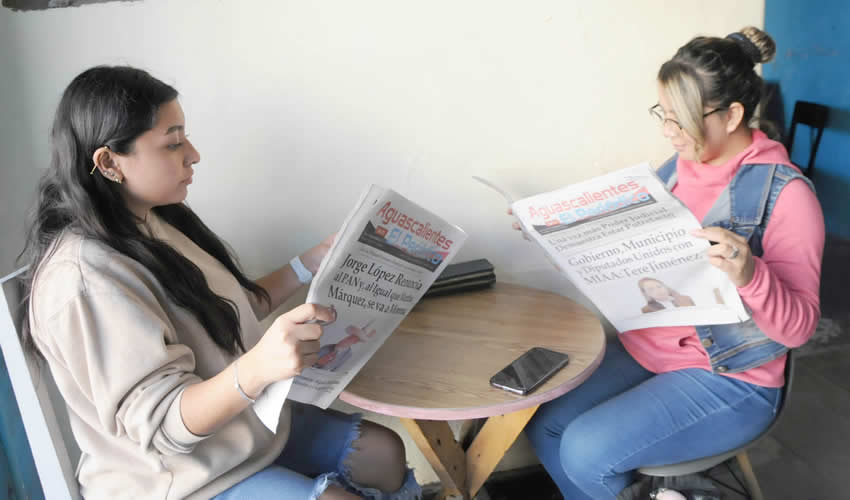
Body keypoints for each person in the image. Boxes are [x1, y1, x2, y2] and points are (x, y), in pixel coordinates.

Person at [19, 66, 421, 500]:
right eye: (173, 143)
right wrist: (258, 366)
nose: (193, 154)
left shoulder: (150, 221)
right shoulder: (86, 279)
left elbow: (225, 309)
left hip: (240, 435)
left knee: (383, 452)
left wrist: (313, 262)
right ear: (109, 162)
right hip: (177, 480)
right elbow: (165, 427)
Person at [511, 27, 824, 499]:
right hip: (651, 350)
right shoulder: (677, 168)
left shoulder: (787, 195)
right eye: (664, 115)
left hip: (730, 378)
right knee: (544, 423)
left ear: (733, 114)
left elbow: (799, 328)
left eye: (681, 121)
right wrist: (562, 242)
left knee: (583, 451)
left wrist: (751, 274)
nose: (668, 131)